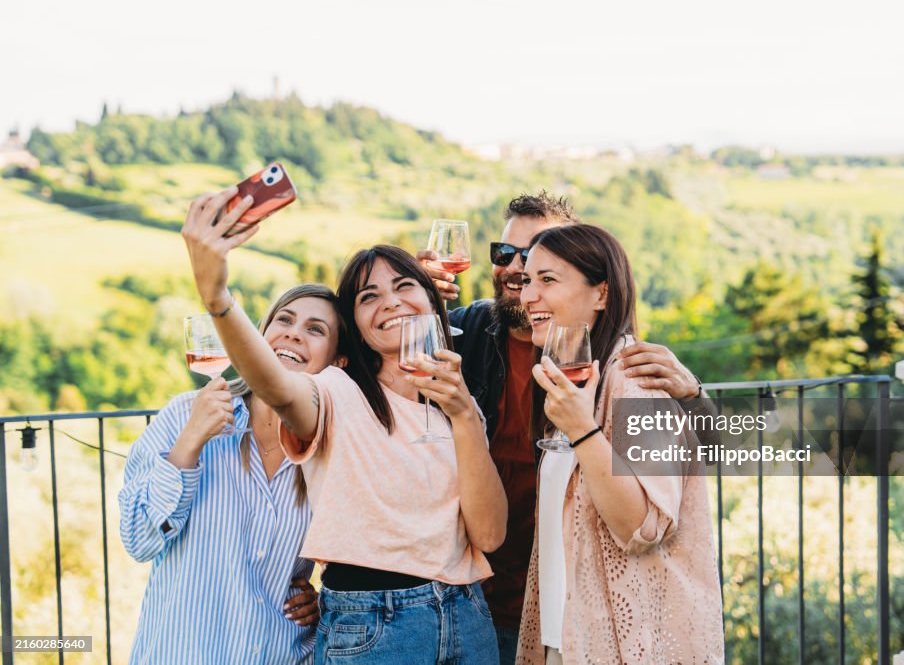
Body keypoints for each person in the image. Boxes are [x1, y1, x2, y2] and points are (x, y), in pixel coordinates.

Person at [181, 187, 507, 664]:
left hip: (467, 614)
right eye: (368, 296)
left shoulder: (459, 402)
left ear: (429, 299)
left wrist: (463, 416)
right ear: (356, 324)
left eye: (403, 286)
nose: (390, 302)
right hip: (374, 626)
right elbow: (274, 384)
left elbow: (490, 535)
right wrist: (217, 297)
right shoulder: (335, 392)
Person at [421, 192, 703, 663]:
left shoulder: (624, 371)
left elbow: (691, 474)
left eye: (539, 268)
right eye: (506, 255)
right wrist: (409, 291)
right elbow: (365, 371)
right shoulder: (460, 336)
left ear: (599, 289)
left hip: (583, 614)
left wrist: (695, 396)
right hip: (475, 597)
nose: (518, 275)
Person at [516, 223, 724, 664]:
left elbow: (642, 526)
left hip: (622, 648)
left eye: (547, 280)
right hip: (568, 639)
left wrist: (584, 432)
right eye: (527, 280)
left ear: (602, 294)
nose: (528, 295)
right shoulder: (576, 378)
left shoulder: (635, 380)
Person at [119, 282, 344, 664]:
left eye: (315, 329)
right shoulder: (183, 414)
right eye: (284, 320)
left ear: (338, 364)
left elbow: (367, 554)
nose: (293, 332)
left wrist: (326, 603)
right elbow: (139, 540)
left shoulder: (334, 448)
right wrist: (192, 439)